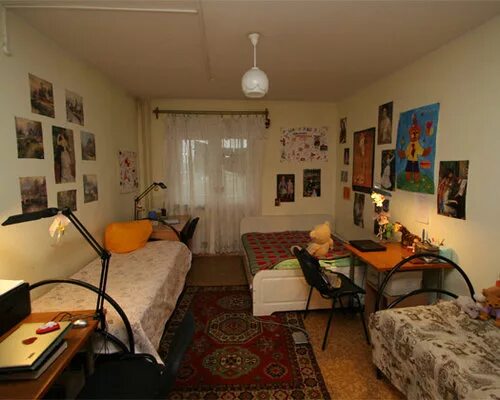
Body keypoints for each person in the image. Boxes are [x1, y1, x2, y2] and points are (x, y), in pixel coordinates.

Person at [398, 113, 431, 183]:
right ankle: (408, 179)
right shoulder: (409, 145)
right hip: (409, 160)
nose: (414, 135)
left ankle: (416, 180)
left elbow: (421, 151)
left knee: (416, 172)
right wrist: (402, 154)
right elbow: (407, 152)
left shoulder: (417, 144)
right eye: (413, 133)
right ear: (410, 134)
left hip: (415, 161)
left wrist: (426, 151)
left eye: (416, 133)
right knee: (408, 171)